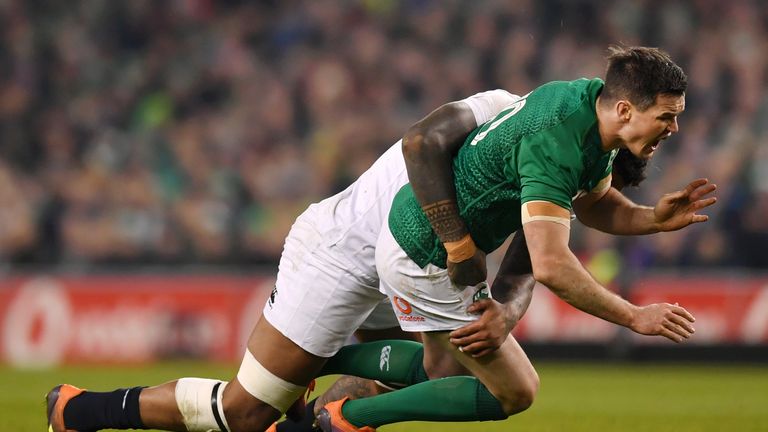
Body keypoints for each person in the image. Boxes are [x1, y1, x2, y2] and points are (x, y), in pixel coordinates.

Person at [46, 89, 533, 432]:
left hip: (405, 261)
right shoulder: (506, 113)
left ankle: (308, 408)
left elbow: (526, 258)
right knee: (244, 413)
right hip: (342, 252)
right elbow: (420, 143)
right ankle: (81, 410)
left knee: (422, 376)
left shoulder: (531, 133)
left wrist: (501, 312)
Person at [314, 46, 717, 431]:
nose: (674, 128)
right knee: (515, 391)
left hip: (415, 236)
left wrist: (653, 219)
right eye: (666, 116)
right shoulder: (558, 144)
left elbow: (594, 204)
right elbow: (551, 265)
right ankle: (348, 419)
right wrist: (634, 316)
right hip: (431, 252)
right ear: (626, 110)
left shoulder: (592, 107)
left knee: (443, 369)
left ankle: (320, 361)